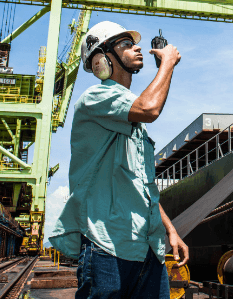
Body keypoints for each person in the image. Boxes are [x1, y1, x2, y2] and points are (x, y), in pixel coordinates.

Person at [50, 21, 189, 299]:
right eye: (126, 44)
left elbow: (140, 185)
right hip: (106, 246)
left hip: (147, 248)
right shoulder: (95, 99)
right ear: (103, 60)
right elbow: (150, 108)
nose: (137, 47)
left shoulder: (131, 118)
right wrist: (168, 64)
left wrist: (170, 230)